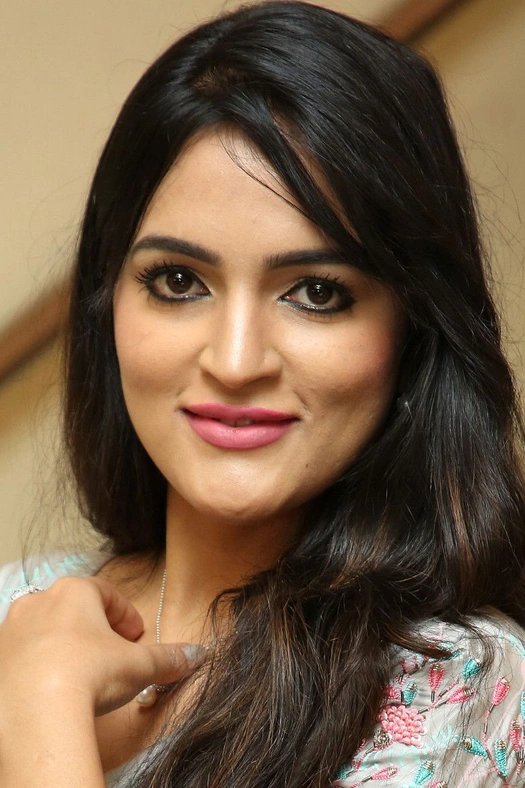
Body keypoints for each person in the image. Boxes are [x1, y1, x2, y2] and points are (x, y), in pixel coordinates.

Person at [1, 1, 524, 786]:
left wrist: (43, 712)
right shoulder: (20, 610)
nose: (236, 361)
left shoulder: (456, 688)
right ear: (107, 305)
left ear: (414, 324)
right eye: (178, 281)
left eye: (315, 292)